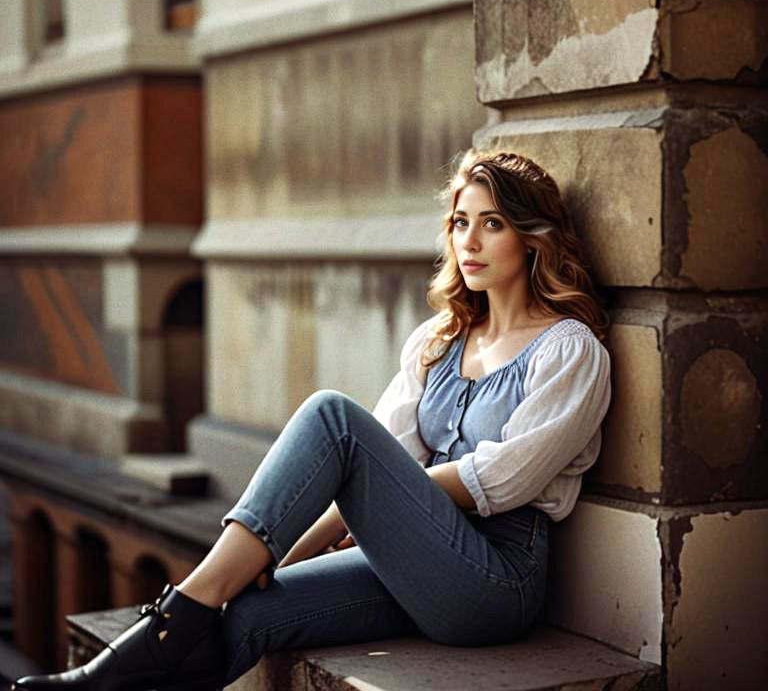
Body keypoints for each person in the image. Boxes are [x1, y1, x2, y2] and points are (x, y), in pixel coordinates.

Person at [14, 149, 611, 691]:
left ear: (533, 240)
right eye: (461, 223)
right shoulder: (439, 339)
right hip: (411, 560)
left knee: (334, 416)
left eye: (493, 224)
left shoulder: (569, 349)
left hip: (494, 583)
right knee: (249, 610)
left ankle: (173, 615)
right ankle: (113, 680)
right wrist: (281, 556)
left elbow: (504, 480)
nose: (470, 242)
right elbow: (375, 465)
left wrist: (388, 503)